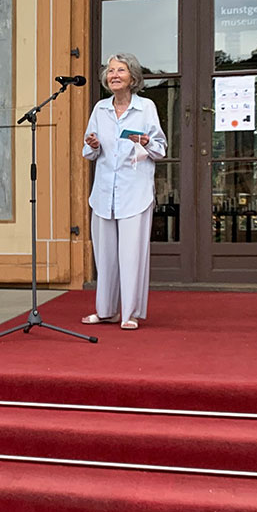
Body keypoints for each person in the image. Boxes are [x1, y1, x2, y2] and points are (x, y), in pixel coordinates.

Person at [80, 54, 167, 330]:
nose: (114, 74)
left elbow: (160, 149)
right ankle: (105, 311)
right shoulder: (100, 109)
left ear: (133, 78)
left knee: (131, 255)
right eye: (110, 71)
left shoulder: (146, 108)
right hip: (105, 191)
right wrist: (93, 144)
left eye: (121, 70)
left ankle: (129, 313)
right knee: (105, 256)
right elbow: (89, 151)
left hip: (135, 191)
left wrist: (145, 140)